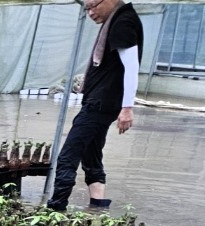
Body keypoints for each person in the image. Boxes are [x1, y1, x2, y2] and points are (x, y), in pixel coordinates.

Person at [47, 0, 142, 211]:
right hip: (101, 101)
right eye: (86, 8)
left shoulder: (123, 21)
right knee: (91, 151)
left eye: (93, 6)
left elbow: (132, 66)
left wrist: (127, 108)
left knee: (68, 155)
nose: (90, 13)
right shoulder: (117, 19)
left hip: (101, 102)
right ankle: (98, 204)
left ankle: (56, 207)